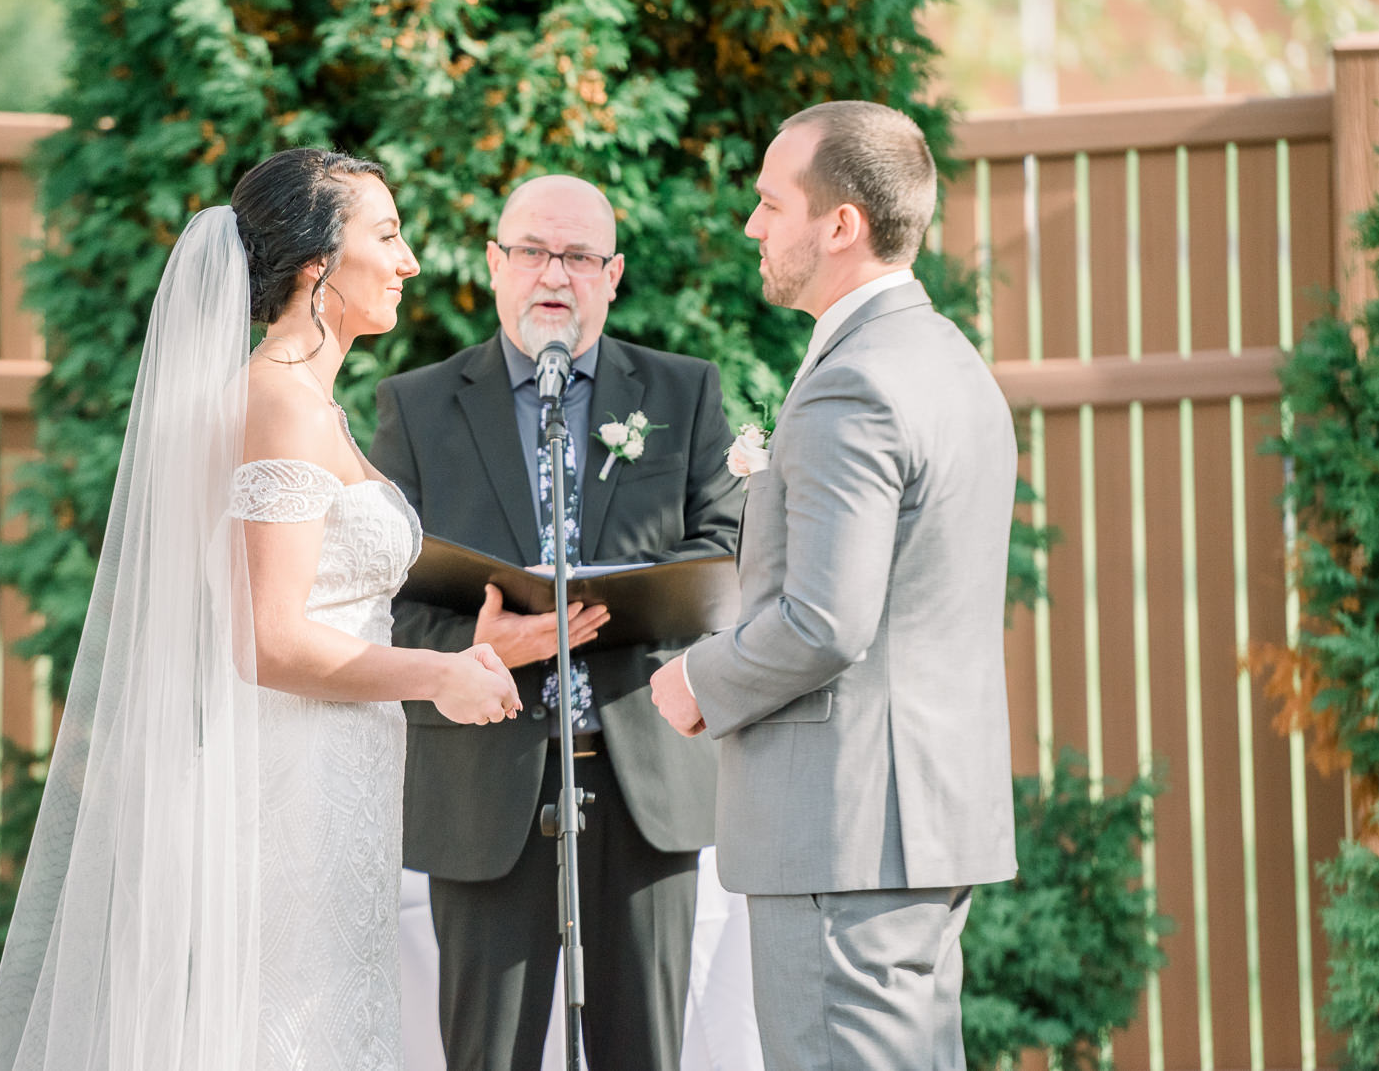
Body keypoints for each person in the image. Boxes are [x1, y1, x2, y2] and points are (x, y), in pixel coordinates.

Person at [0, 148, 521, 1071]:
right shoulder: (280, 405)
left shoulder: (309, 402)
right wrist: (438, 677)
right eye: (386, 235)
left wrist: (476, 649)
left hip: (337, 768)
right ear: (316, 267)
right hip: (288, 781)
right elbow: (267, 641)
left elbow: (330, 606)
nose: (410, 261)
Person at [651, 102, 1019, 1071]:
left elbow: (824, 619)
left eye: (773, 203)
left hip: (844, 832)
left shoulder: (856, 381)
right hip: (915, 826)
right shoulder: (947, 361)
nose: (753, 226)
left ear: (841, 223)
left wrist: (697, 681)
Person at [371, 174, 745, 1071]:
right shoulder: (416, 408)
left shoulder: (682, 393)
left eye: (579, 256)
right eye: (533, 251)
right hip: (483, 781)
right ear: (495, 264)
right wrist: (473, 647)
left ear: (612, 275)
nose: (554, 274)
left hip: (643, 773)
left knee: (643, 1052)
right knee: (486, 1054)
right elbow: (378, 599)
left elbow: (728, 550)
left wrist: (627, 605)